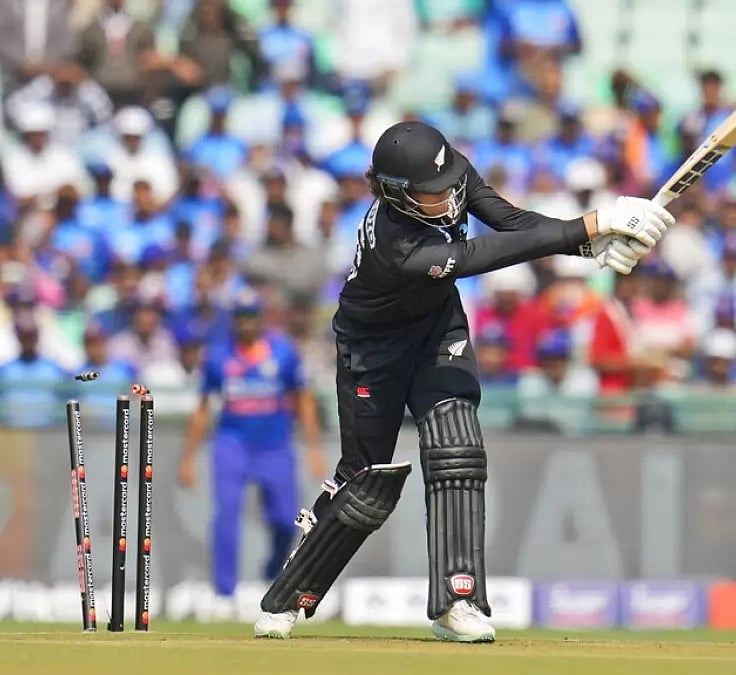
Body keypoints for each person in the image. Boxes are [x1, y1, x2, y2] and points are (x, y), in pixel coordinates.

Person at [250, 120, 672, 641]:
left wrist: (589, 246)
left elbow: (512, 223)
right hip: (372, 352)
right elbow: (483, 255)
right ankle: (288, 598)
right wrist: (591, 224)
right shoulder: (399, 247)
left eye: (450, 183)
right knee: (365, 485)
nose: (449, 197)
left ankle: (458, 600)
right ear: (395, 193)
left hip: (436, 331)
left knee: (458, 449)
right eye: (433, 193)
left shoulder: (450, 174)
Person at [178, 289, 324, 598]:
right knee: (227, 514)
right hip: (232, 444)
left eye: (251, 317)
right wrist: (188, 458)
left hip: (275, 445)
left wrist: (313, 449)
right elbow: (203, 407)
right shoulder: (218, 355)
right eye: (241, 318)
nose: (246, 324)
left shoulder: (283, 352)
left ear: (260, 318)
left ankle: (273, 570)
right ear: (234, 320)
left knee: (288, 519)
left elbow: (304, 399)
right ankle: (224, 591)